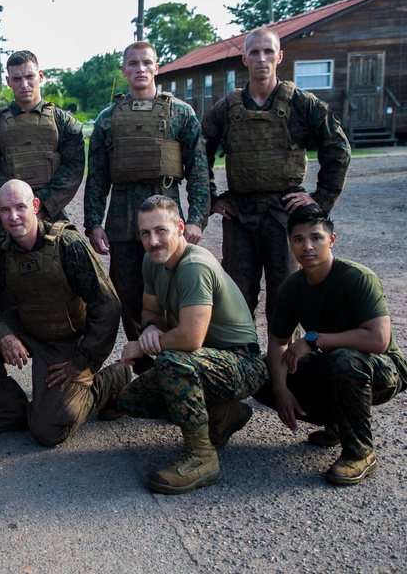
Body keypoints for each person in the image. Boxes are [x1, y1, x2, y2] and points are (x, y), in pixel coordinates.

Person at [0, 180, 127, 445]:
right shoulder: (2, 248)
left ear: (35, 206)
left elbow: (107, 305)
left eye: (20, 207)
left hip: (65, 342)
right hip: (25, 330)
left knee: (48, 430)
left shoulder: (69, 245)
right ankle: (12, 412)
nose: (13, 216)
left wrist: (81, 361)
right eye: (6, 210)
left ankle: (109, 381)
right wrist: (2, 334)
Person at [116, 195, 268, 494]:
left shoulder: (194, 266)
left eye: (161, 230)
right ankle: (224, 414)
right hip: (204, 361)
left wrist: (143, 345)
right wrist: (148, 329)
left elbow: (189, 338)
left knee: (172, 362)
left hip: (242, 363)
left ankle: (202, 458)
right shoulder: (153, 260)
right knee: (131, 400)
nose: (153, 240)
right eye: (145, 233)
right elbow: (151, 311)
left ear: (180, 228)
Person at [202, 26, 351, 324]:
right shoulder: (227, 108)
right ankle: (243, 366)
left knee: (285, 301)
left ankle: (285, 368)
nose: (262, 58)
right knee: (236, 302)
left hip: (284, 216)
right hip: (240, 217)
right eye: (254, 52)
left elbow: (338, 149)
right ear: (244, 59)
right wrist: (212, 198)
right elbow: (196, 152)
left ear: (279, 56)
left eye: (268, 51)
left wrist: (319, 200)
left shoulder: (301, 103)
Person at [253, 205, 406, 485]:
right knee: (260, 372)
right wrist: (281, 390)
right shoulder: (292, 288)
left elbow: (378, 339)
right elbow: (277, 343)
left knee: (344, 360)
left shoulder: (358, 278)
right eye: (298, 239)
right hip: (334, 363)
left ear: (331, 240)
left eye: (316, 237)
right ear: (290, 243)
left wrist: (314, 339)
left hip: (383, 367)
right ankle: (337, 425)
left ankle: (359, 452)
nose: (307, 246)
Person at [85, 41, 209, 374]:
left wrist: (196, 219)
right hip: (123, 224)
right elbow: (96, 176)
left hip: (168, 219)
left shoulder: (181, 113)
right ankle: (143, 369)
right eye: (133, 63)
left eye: (146, 63)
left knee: (173, 297)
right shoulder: (108, 119)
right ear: (124, 70)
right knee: (130, 298)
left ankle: (176, 367)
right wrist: (94, 223)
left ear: (157, 68)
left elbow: (199, 169)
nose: (140, 69)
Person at [0, 50, 84, 228]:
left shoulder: (64, 123)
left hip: (52, 215)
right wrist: (19, 206)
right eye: (17, 79)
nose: (24, 84)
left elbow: (73, 169)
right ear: (8, 81)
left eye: (29, 76)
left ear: (40, 76)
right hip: (12, 218)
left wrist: (42, 205)